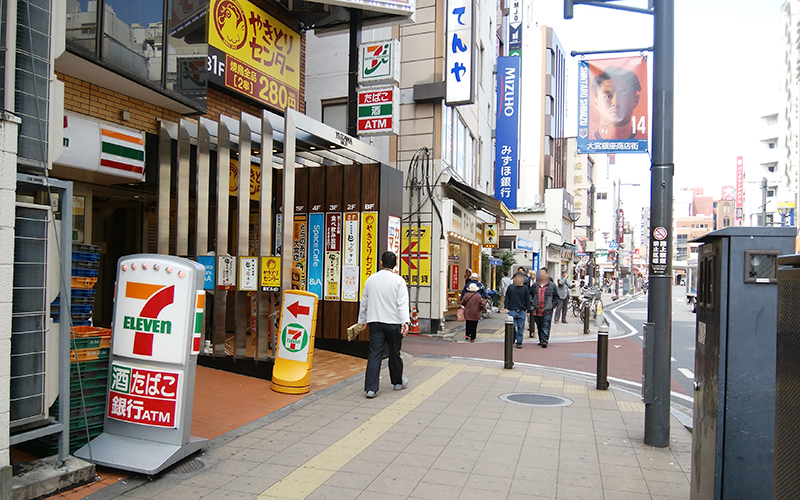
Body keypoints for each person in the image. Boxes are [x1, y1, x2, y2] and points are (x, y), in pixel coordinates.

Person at [358, 251, 410, 398]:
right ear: (396, 264)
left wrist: (362, 320)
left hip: (375, 322)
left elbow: (365, 303)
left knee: (375, 354)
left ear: (381, 263)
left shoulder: (371, 280)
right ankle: (397, 382)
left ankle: (371, 389)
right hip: (394, 322)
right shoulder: (398, 281)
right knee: (394, 352)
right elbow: (402, 303)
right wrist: (405, 322)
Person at [592, 65, 642, 140]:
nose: (615, 103)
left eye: (623, 96)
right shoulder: (587, 143)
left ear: (635, 100)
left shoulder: (648, 142)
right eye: (607, 96)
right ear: (596, 102)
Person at [531, 268, 558, 348]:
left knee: (545, 325)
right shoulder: (535, 285)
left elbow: (556, 297)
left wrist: (552, 305)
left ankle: (544, 340)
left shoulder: (552, 286)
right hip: (537, 309)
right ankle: (541, 339)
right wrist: (532, 302)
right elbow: (530, 295)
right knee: (539, 325)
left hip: (547, 310)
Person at [505, 272, 531, 349]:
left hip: (522, 310)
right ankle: (513, 336)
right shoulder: (510, 287)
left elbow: (527, 300)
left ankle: (519, 342)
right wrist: (506, 307)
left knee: (521, 327)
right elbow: (507, 298)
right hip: (512, 310)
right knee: (512, 326)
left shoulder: (525, 288)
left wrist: (528, 310)